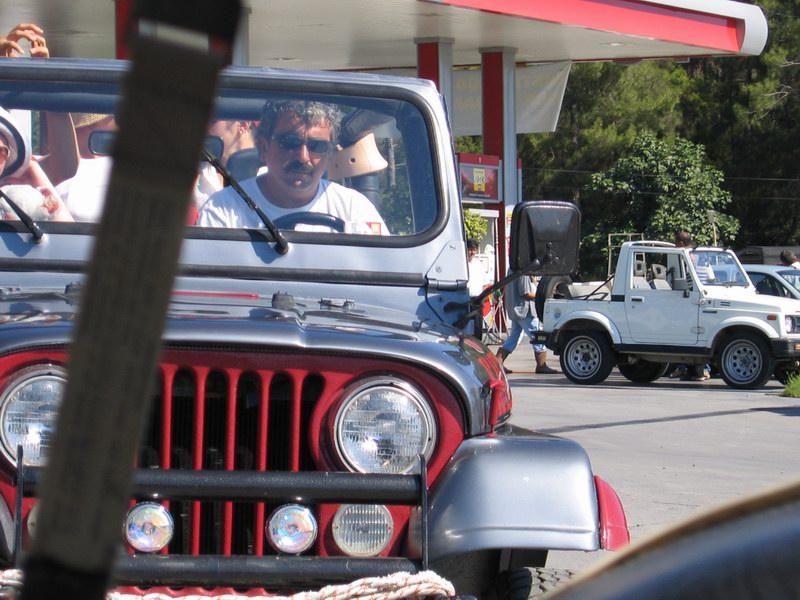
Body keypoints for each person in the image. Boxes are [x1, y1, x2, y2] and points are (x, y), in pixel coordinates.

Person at [198, 99, 387, 234]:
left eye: (316, 146)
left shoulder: (354, 209)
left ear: (329, 154)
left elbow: (384, 270)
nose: (303, 157)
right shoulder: (222, 210)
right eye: (290, 142)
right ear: (263, 147)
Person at [494, 269, 558, 375]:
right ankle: (541, 365)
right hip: (524, 310)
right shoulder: (523, 271)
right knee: (537, 336)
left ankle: (498, 362)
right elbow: (525, 293)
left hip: (517, 309)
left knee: (514, 338)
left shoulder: (513, 269)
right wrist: (542, 296)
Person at [670, 231, 711, 381]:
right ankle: (699, 370)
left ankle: (690, 369)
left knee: (682, 336)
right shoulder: (702, 256)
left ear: (680, 243)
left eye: (676, 243)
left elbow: (683, 282)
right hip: (703, 299)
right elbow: (710, 277)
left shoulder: (685, 256)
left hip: (689, 301)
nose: (675, 246)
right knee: (702, 338)